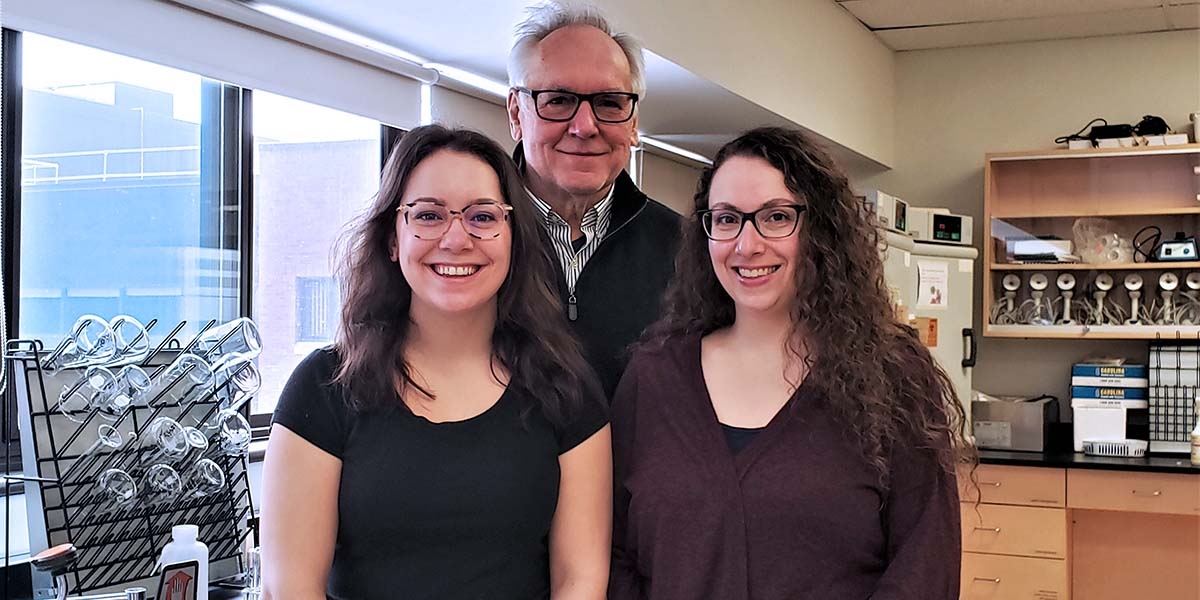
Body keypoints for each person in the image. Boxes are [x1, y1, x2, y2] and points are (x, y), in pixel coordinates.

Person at [609, 127, 970, 599]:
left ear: (822, 230)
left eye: (776, 217)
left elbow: (924, 565)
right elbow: (614, 550)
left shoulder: (892, 375)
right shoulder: (654, 377)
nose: (747, 244)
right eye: (727, 219)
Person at [260, 125, 611, 600]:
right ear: (393, 239)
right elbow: (290, 586)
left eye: (483, 216)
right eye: (428, 215)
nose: (456, 238)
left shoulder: (566, 388)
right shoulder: (324, 386)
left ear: (514, 238)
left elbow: (580, 580)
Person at [507, 1, 680, 396]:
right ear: (516, 114)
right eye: (558, 100)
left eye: (609, 103)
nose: (584, 127)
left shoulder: (688, 251)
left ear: (633, 124)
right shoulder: (468, 242)